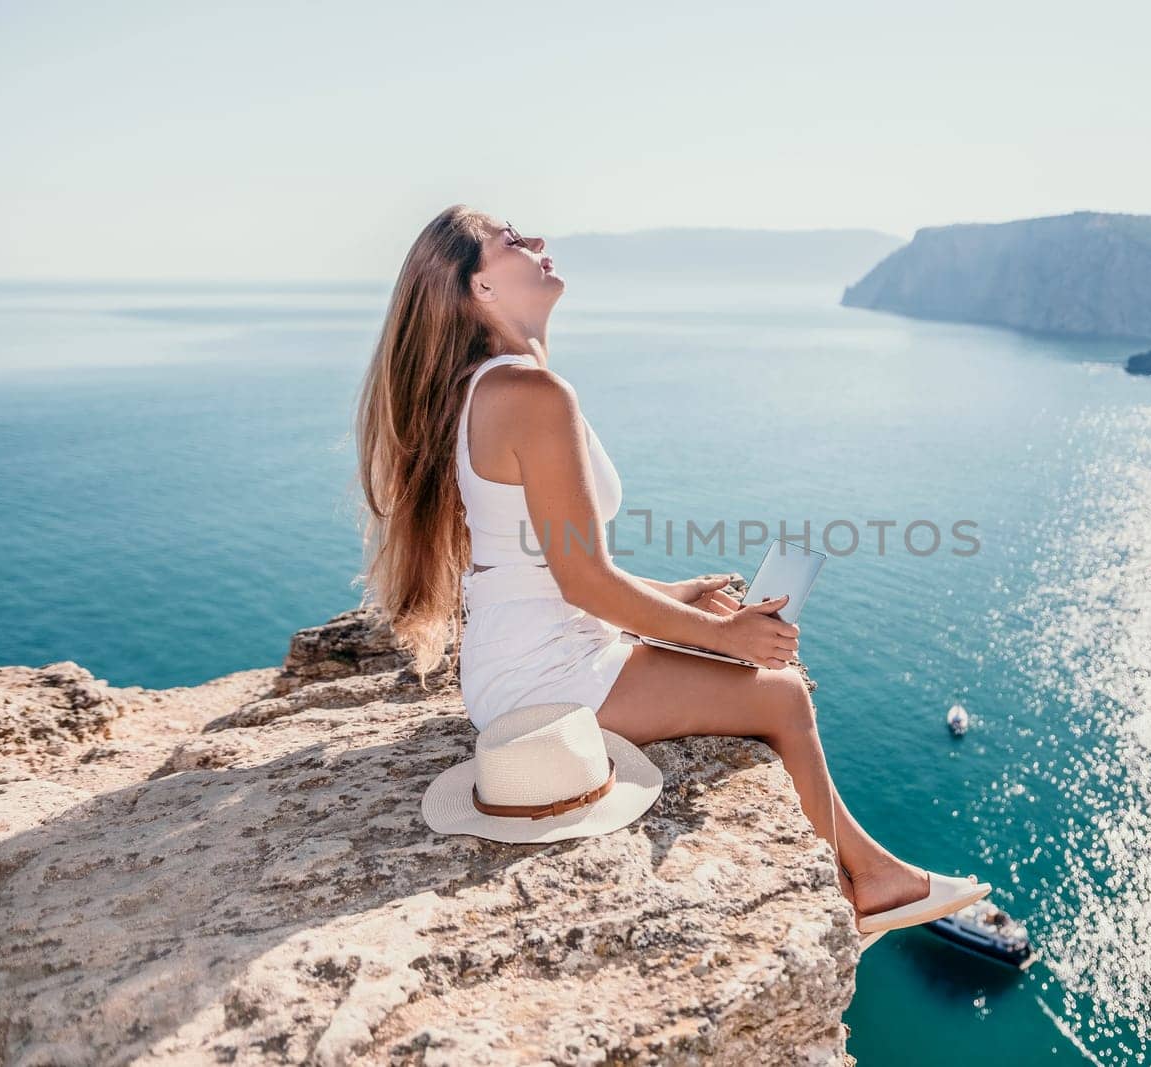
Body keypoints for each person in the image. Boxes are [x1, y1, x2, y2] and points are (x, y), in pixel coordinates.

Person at [354, 204, 989, 934]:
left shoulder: (491, 389)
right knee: (780, 696)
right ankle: (874, 884)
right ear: (481, 292)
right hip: (546, 677)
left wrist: (677, 595)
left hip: (528, 656)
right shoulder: (530, 395)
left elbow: (539, 565)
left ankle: (876, 876)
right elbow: (582, 579)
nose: (538, 242)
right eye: (511, 241)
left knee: (760, 675)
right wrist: (728, 640)